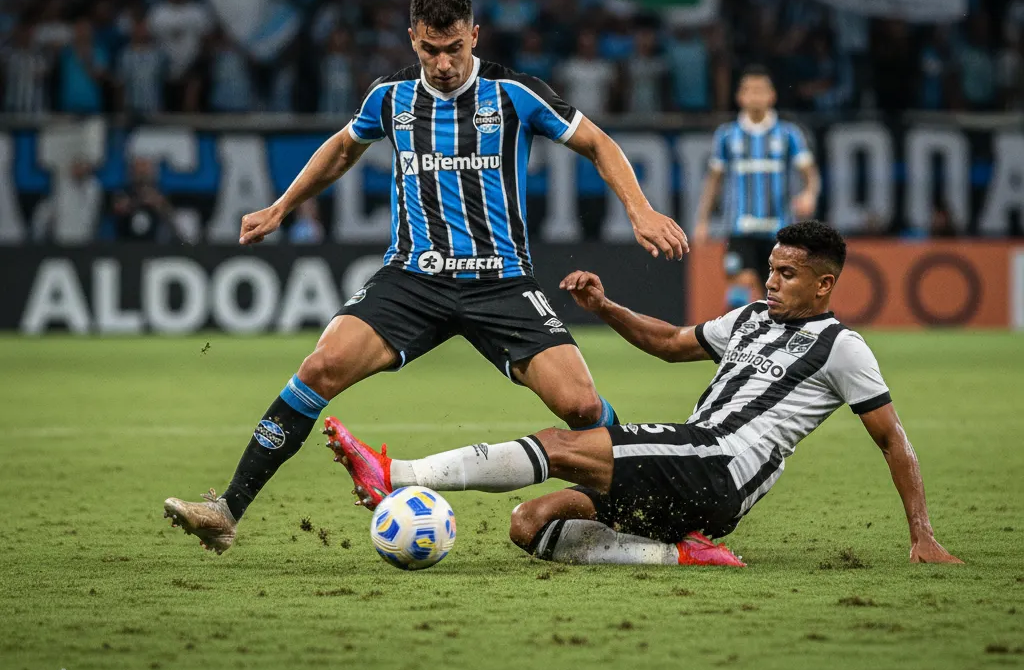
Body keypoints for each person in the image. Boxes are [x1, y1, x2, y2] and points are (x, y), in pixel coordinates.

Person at [164, 0, 687, 552]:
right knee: (319, 368)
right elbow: (342, 148)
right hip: (412, 278)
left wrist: (640, 209)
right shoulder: (388, 98)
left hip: (500, 281)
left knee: (583, 405)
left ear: (474, 36)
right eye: (430, 50)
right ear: (412, 39)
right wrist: (281, 207)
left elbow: (598, 144)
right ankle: (226, 510)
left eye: (455, 49)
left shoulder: (515, 93)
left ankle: (648, 506)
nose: (442, 63)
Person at [328, 221, 962, 569]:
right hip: (688, 468)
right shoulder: (748, 319)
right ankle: (677, 555)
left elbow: (892, 441)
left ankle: (396, 473)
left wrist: (922, 533)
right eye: (769, 268)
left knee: (562, 443)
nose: (770, 281)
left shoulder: (841, 348)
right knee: (530, 525)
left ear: (824, 286)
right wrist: (604, 307)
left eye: (786, 274)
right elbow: (668, 341)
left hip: (719, 468)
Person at [694, 66, 820, 309]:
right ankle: (735, 339)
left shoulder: (789, 134)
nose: (755, 96)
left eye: (760, 91)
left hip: (778, 230)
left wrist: (809, 194)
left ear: (772, 96)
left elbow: (809, 173)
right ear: (740, 97)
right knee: (738, 282)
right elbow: (714, 181)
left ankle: (772, 341)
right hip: (739, 227)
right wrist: (703, 221)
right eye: (749, 91)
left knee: (776, 291)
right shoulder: (727, 135)